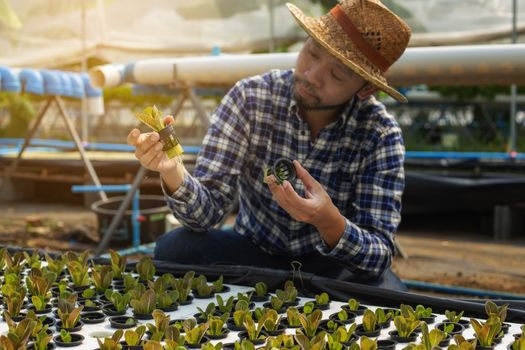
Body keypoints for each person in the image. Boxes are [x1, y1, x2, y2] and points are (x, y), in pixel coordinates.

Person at [128, 0, 411, 290]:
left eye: (337, 74)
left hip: (333, 266)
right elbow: (206, 215)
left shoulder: (380, 134)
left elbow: (378, 254)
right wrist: (172, 172)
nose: (312, 75)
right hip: (254, 251)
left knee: (390, 293)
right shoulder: (250, 99)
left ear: (366, 88)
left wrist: (330, 223)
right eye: (311, 53)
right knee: (176, 249)